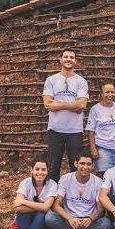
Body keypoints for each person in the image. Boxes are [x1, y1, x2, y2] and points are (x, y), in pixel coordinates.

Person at [45, 151, 112, 229]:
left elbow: (100, 209)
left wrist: (91, 218)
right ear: (76, 164)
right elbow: (56, 205)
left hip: (88, 222)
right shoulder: (66, 179)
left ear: (93, 166)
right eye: (82, 163)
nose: (85, 167)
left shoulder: (98, 182)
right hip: (69, 221)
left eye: (89, 164)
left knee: (105, 223)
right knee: (49, 218)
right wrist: (70, 218)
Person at [42, 48, 89, 182]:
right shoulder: (51, 80)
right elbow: (48, 104)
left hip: (74, 131)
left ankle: (72, 197)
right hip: (55, 130)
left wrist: (59, 105)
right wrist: (72, 105)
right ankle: (53, 197)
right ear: (60, 60)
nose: (68, 59)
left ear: (76, 61)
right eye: (66, 57)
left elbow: (81, 105)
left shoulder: (81, 81)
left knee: (75, 167)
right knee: (53, 167)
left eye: (72, 57)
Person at [8, 154, 58, 229]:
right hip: (26, 219)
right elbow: (16, 206)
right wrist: (39, 206)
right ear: (31, 170)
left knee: (41, 215)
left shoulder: (52, 185)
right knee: (21, 213)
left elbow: (46, 207)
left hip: (42, 223)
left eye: (43, 169)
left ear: (47, 171)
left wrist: (25, 202)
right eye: (37, 169)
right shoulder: (25, 183)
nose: (40, 172)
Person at [86, 83, 115, 173]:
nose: (110, 95)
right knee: (103, 175)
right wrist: (93, 148)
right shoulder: (95, 109)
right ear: (101, 94)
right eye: (107, 92)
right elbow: (91, 131)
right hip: (102, 148)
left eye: (112, 92)